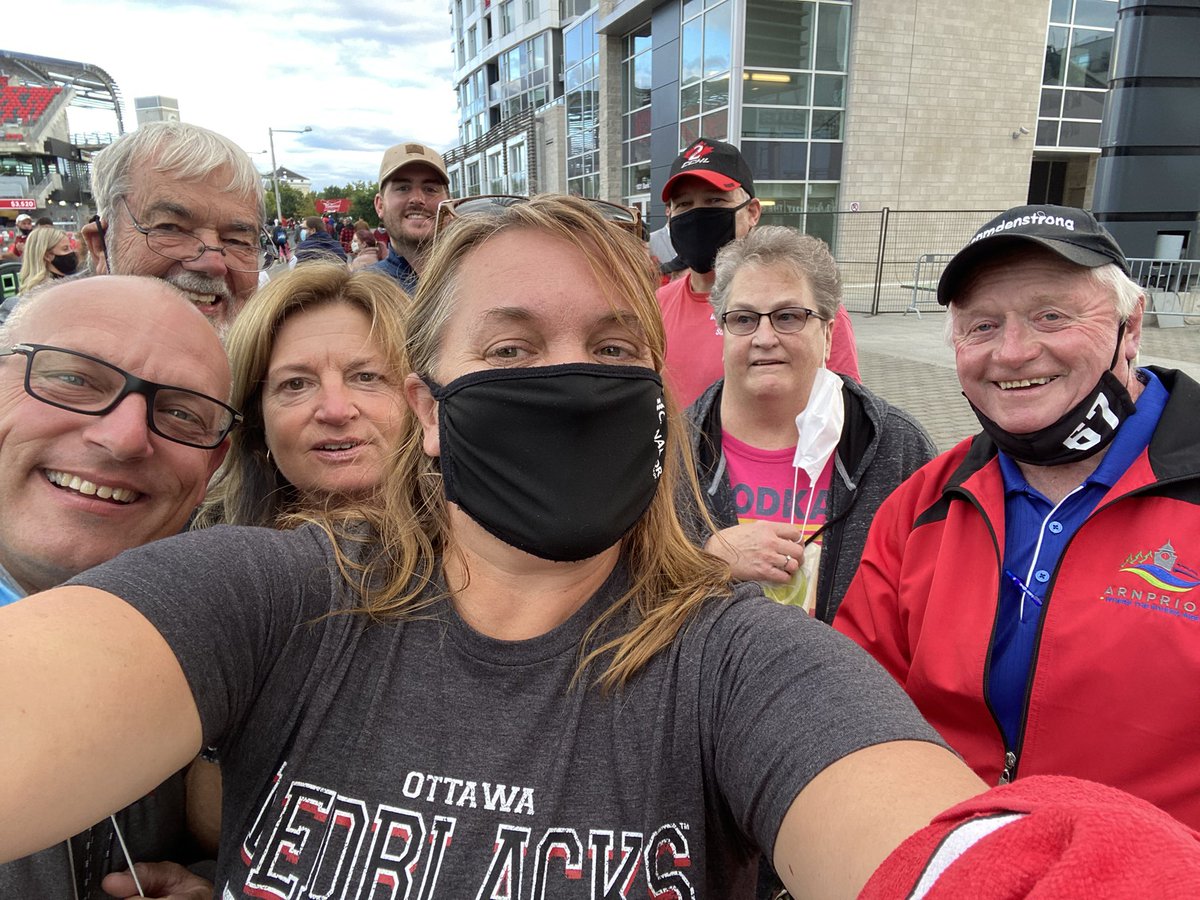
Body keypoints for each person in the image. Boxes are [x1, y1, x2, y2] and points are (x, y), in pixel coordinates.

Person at [0, 194, 993, 898]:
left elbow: (955, 859)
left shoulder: (737, 664)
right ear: (429, 410)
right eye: (511, 350)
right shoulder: (277, 596)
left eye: (612, 349)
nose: (569, 384)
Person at [833, 204, 1200, 831]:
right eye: (981, 326)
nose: (1012, 351)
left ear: (1130, 326)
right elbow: (854, 705)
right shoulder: (923, 505)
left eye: (1050, 315)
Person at [0, 275, 236, 898]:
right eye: (75, 378)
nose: (124, 436)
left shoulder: (220, 641)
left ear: (213, 467)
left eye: (182, 412)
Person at [686, 226, 934, 624]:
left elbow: (931, 598)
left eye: (788, 317)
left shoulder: (895, 448)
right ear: (723, 330)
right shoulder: (675, 450)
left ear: (830, 333)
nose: (764, 337)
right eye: (744, 319)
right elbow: (629, 586)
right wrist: (708, 556)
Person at [194, 262, 406, 528]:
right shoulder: (203, 551)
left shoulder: (469, 540)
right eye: (296, 384)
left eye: (366, 377)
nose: (335, 411)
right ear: (256, 416)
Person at [657, 138, 860, 407]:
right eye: (684, 204)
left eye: (715, 200)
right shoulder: (657, 305)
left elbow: (844, 408)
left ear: (752, 212)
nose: (698, 215)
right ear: (669, 216)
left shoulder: (806, 308)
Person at [81, 121, 267, 338]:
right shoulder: (38, 366)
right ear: (100, 246)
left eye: (236, 241)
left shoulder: (284, 364)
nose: (213, 263)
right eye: (171, 228)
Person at [371, 141, 450, 292]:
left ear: (448, 203)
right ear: (380, 205)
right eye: (403, 188)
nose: (417, 199)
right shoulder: (362, 294)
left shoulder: (481, 278)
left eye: (430, 189)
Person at [16, 226, 77, 291]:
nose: (71, 252)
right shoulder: (51, 289)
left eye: (70, 247)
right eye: (65, 249)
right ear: (47, 256)